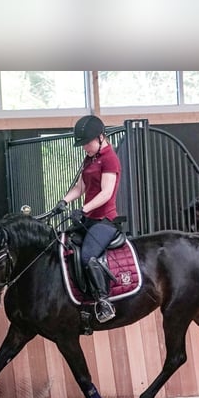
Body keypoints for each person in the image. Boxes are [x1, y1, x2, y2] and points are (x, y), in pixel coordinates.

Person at [53, 115, 121, 323]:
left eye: (87, 143)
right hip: (88, 219)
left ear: (101, 137)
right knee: (64, 247)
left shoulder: (110, 158)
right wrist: (64, 201)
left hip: (105, 221)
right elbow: (81, 187)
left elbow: (106, 193)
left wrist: (83, 209)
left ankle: (103, 301)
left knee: (87, 256)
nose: (84, 148)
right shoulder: (91, 158)